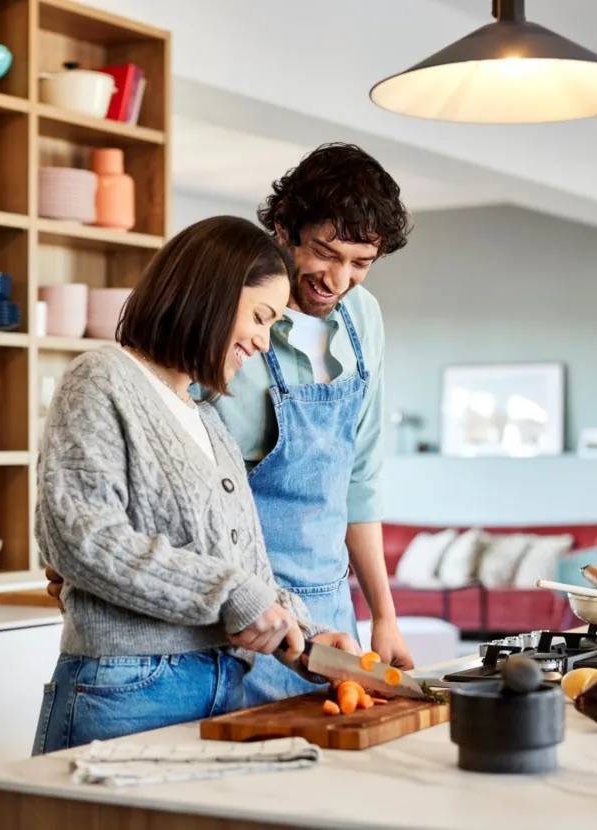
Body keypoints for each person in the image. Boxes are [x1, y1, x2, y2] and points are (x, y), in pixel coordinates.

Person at [47, 143, 416, 707]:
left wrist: (382, 615)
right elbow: (125, 498)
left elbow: (359, 480)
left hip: (308, 621)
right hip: (230, 624)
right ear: (284, 225)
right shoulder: (168, 361)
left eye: (361, 264)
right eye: (326, 253)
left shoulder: (363, 320)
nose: (340, 280)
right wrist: (77, 570)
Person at [31, 215, 359, 755]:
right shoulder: (102, 379)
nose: (261, 341)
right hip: (128, 687)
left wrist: (308, 637)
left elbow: (243, 570)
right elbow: (80, 538)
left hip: (223, 683)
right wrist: (233, 595)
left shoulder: (207, 420)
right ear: (211, 293)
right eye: (259, 317)